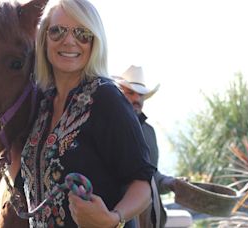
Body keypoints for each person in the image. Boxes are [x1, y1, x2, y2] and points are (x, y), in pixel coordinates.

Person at [15, 0, 157, 227]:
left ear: (94, 42)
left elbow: (142, 183)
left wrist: (113, 218)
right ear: (43, 40)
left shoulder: (107, 99)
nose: (69, 41)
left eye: (82, 33)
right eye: (57, 31)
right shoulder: (41, 102)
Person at [113, 65, 179, 227]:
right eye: (130, 93)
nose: (137, 99)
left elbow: (149, 174)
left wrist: (170, 182)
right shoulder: (108, 129)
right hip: (117, 216)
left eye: (141, 95)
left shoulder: (149, 132)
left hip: (146, 219)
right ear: (118, 94)